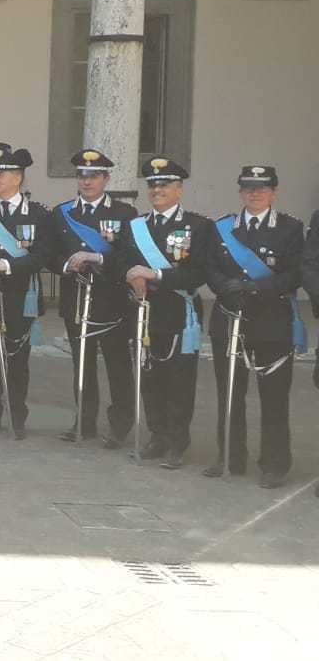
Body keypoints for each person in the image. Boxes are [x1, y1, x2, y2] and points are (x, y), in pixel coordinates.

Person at [205, 165, 304, 488]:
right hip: (230, 318)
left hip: (272, 322)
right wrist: (226, 287)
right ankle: (230, 457)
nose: (255, 192)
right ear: (240, 192)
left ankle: (274, 464)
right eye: (248, 187)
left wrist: (258, 287)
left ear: (274, 192)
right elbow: (210, 267)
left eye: (262, 188)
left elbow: (294, 274)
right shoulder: (222, 227)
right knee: (230, 393)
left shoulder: (290, 228)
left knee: (273, 397)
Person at [119, 157, 210, 471]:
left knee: (179, 380)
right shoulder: (136, 226)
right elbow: (123, 261)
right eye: (153, 184)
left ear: (179, 189)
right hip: (144, 311)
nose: (157, 190)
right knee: (150, 377)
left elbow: (200, 272)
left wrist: (156, 274)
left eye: (165, 184)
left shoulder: (198, 226)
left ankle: (177, 442)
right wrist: (130, 276)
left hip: (179, 313)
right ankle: (157, 436)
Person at [0, 144, 54, 440]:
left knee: (18, 359)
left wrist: (5, 265)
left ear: (17, 178)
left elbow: (43, 255)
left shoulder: (38, 214)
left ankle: (17, 415)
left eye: (1, 174)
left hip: (21, 295)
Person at [52, 149, 138, 446]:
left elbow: (129, 255)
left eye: (93, 176)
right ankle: (84, 421)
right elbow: (51, 253)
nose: (86, 182)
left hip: (111, 299)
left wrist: (98, 258)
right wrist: (67, 265)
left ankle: (120, 426)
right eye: (81, 176)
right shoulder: (62, 213)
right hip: (77, 299)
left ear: (105, 179)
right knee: (82, 365)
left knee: (117, 365)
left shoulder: (124, 214)